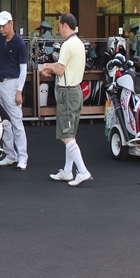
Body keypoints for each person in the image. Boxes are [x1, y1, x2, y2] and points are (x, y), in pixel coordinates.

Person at [45, 13, 92, 186]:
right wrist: (52, 67)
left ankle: (82, 171)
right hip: (76, 91)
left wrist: (48, 67)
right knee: (70, 133)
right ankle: (67, 171)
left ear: (65, 25)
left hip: (67, 93)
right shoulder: (79, 43)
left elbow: (60, 69)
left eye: (59, 26)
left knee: (66, 135)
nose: (59, 29)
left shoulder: (67, 45)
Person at [0, 11, 29, 170]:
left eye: (3, 25)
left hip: (11, 83)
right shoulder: (0, 38)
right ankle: (10, 154)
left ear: (11, 24)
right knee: (4, 121)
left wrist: (19, 91)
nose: (1, 29)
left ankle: (22, 157)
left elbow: (23, 68)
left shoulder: (19, 43)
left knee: (16, 121)